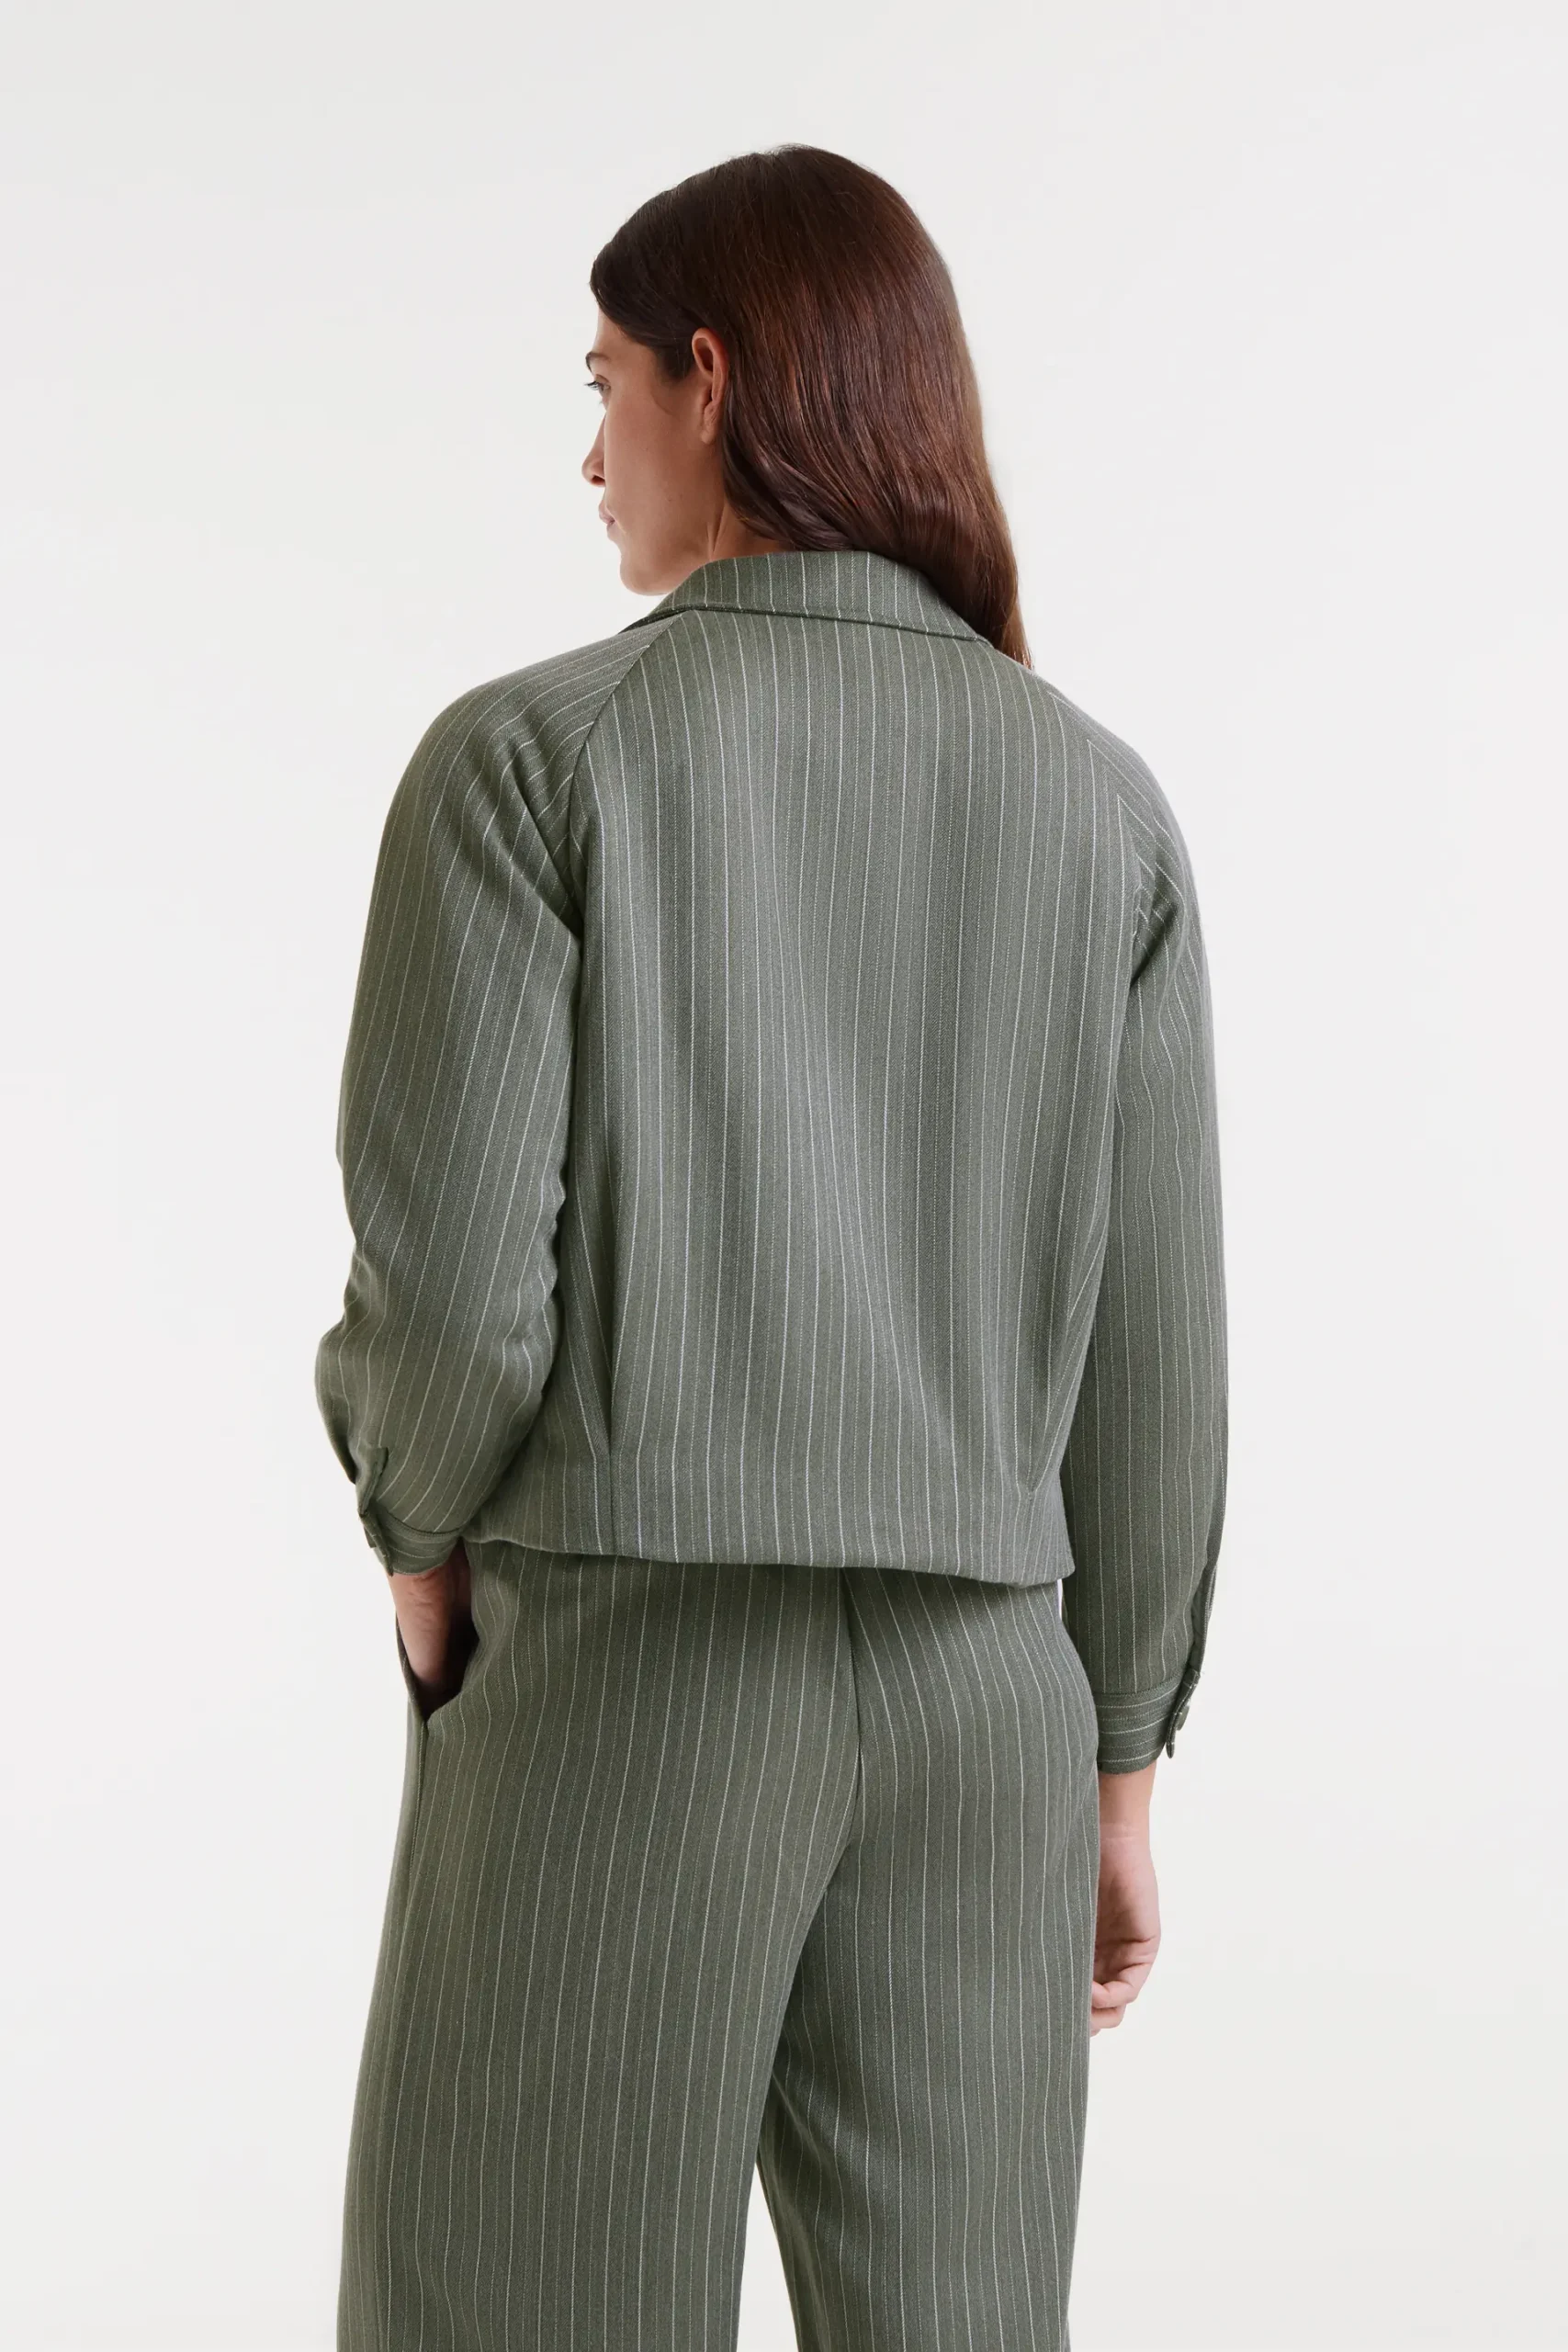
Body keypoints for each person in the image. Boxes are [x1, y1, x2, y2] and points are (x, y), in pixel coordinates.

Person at [314, 141, 1228, 2352]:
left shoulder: (530, 763)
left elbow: (455, 1297)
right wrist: (1114, 1762)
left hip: (628, 1665)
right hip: (986, 1712)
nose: (590, 451)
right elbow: (1154, 1358)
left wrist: (418, 1535)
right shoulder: (1097, 804)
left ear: (709, 380)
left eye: (605, 383)